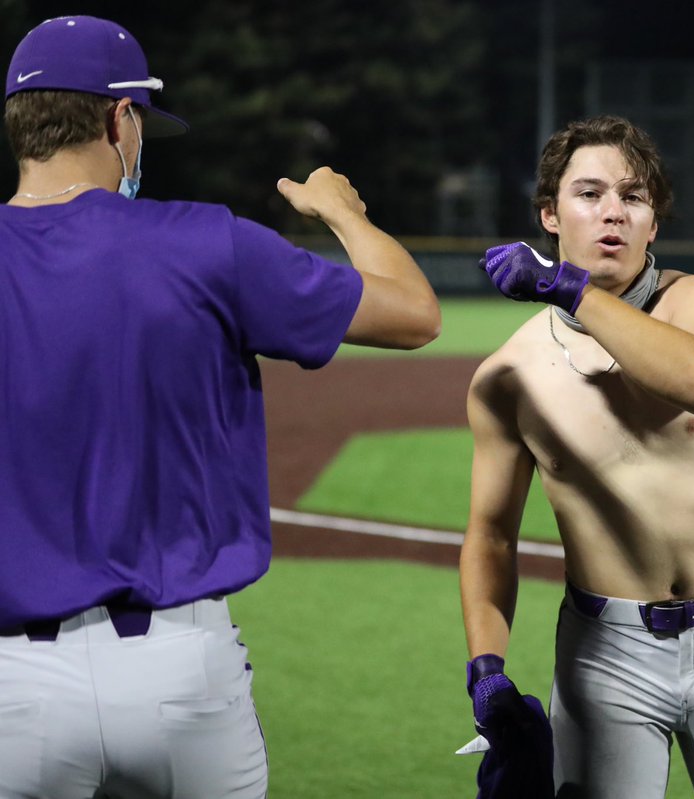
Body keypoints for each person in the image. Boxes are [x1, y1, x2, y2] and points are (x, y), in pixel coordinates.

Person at [0, 15, 440, 799]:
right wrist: (343, 213)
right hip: (181, 674)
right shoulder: (208, 243)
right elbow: (413, 313)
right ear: (117, 118)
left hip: (13, 689)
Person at [459, 114, 694, 799]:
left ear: (653, 224)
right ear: (549, 214)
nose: (613, 213)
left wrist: (571, 289)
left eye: (633, 196)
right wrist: (487, 665)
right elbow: (491, 533)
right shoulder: (506, 374)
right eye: (590, 193)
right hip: (605, 655)